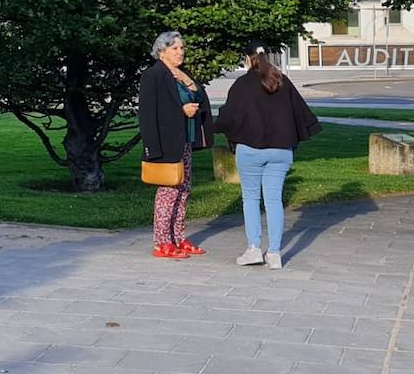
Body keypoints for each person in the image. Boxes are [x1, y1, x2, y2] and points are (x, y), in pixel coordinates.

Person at [215, 41, 322, 270]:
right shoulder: (281, 80)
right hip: (281, 150)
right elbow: (301, 115)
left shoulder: (242, 85)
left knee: (251, 199)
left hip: (250, 150)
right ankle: (274, 253)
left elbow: (229, 118)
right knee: (274, 201)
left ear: (247, 59)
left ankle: (253, 248)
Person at [138, 31, 215, 259]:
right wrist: (152, 148)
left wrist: (188, 82)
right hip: (164, 142)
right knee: (168, 191)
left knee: (183, 189)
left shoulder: (181, 74)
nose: (180, 52)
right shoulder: (153, 76)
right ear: (161, 51)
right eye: (175, 49)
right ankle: (161, 241)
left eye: (182, 48)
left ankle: (178, 236)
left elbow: (200, 97)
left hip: (185, 140)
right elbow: (148, 114)